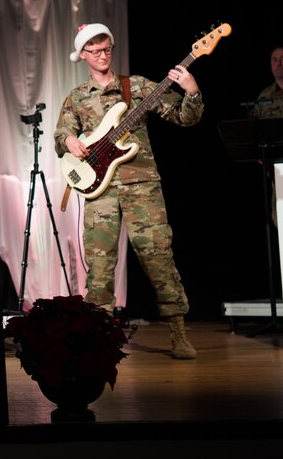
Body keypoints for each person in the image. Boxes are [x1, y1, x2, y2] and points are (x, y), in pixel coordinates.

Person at [53, 23, 203, 360]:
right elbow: (61, 136)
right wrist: (70, 141)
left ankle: (178, 331)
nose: (102, 55)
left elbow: (183, 118)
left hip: (142, 184)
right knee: (100, 264)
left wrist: (191, 92)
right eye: (94, 51)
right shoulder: (76, 97)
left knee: (158, 256)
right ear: (82, 56)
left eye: (106, 48)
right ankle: (96, 337)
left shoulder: (136, 86)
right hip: (99, 191)